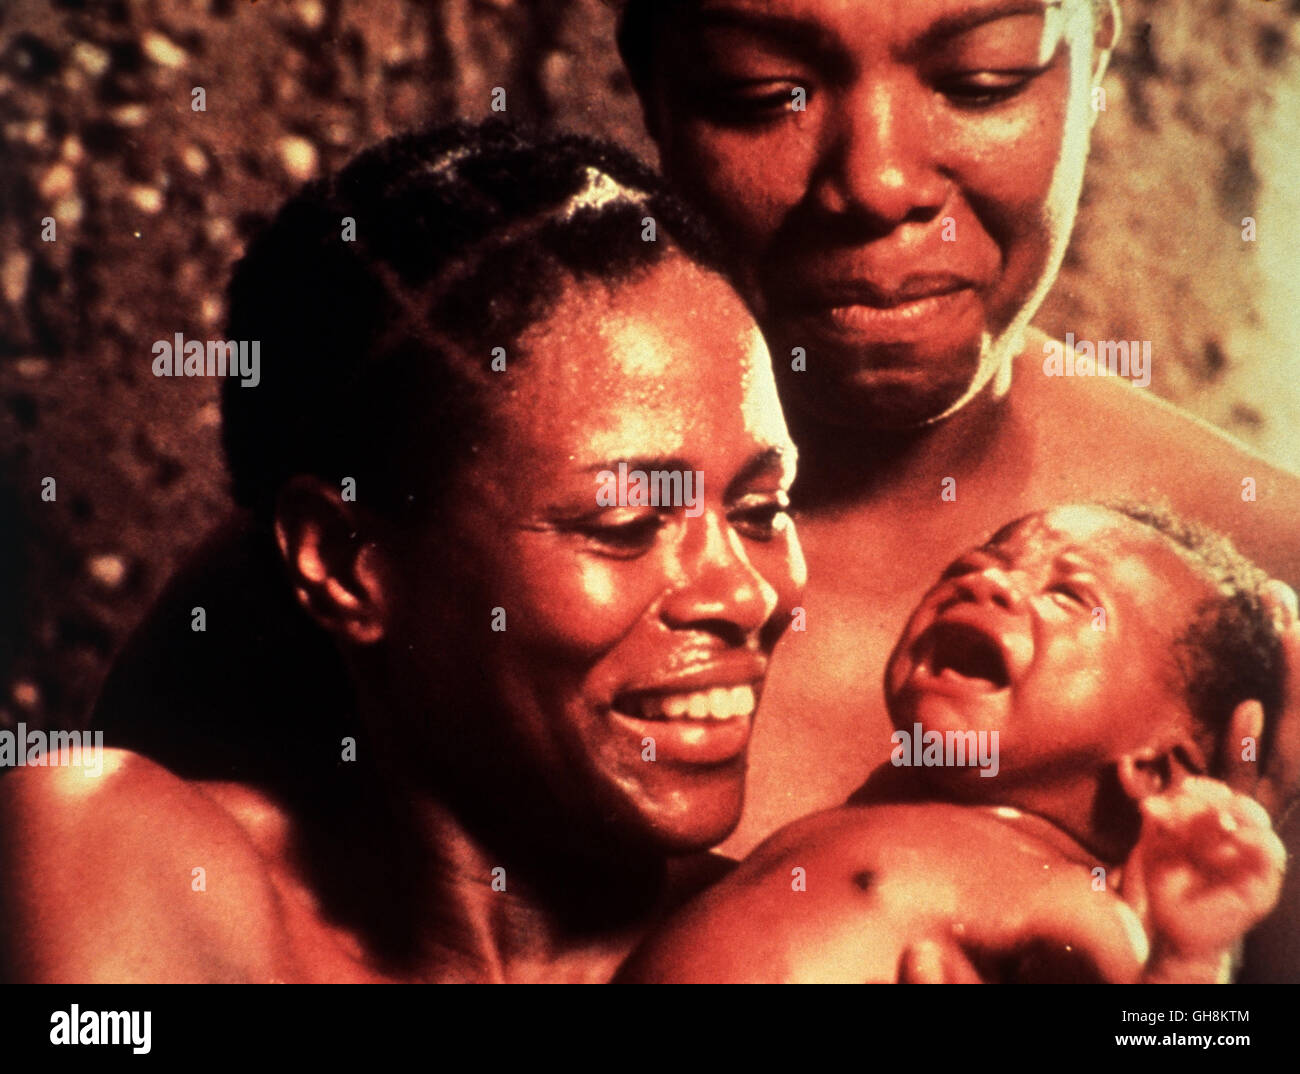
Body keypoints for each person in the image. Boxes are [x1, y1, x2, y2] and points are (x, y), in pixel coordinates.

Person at [0, 122, 810, 983]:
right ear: (344, 563)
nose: (746, 595)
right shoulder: (115, 854)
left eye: (761, 511)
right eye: (626, 526)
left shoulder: (836, 932)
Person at [612, 0, 1300, 917]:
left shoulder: (1267, 600)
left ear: (1095, 56)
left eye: (982, 82)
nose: (877, 183)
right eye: (763, 92)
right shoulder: (484, 526)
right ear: (653, 90)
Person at [617, 503, 1288, 983]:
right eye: (977, 561)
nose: (987, 581)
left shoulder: (1067, 898)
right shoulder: (893, 806)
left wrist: (1185, 964)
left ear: (1156, 771)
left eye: (1068, 596)